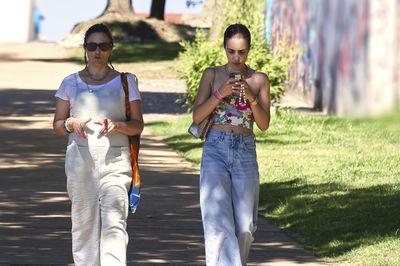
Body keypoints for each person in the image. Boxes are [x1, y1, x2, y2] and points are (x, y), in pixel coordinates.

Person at [53, 23, 143, 266]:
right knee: (83, 227)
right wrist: (71, 123)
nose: (97, 52)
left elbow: (138, 125)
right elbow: (57, 126)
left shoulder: (126, 82)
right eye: (92, 46)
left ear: (111, 49)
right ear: (85, 48)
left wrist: (118, 126)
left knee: (115, 223)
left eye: (103, 46)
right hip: (80, 165)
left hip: (116, 164)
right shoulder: (70, 83)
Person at [192, 24, 270, 265]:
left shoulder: (259, 79)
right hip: (216, 146)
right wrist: (220, 94)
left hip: (245, 149)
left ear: (249, 50)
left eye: (242, 52)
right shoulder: (212, 75)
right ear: (224, 49)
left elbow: (264, 124)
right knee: (218, 222)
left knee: (246, 225)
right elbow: (196, 116)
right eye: (231, 51)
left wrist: (253, 99)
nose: (237, 58)